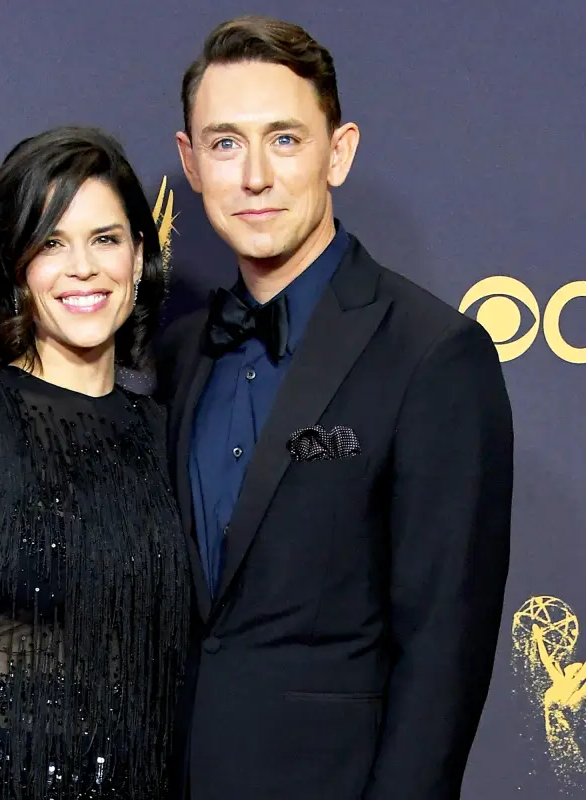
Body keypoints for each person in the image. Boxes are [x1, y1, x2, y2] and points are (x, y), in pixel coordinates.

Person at [156, 15, 514, 800]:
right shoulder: (177, 356)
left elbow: (443, 654)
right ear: (189, 163)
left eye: (284, 139)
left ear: (338, 151)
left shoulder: (432, 353)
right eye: (224, 143)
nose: (254, 176)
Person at [0, 126, 190, 800]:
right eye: (51, 242)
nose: (83, 267)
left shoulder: (171, 439)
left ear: (139, 257)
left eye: (105, 239)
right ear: (18, 266)